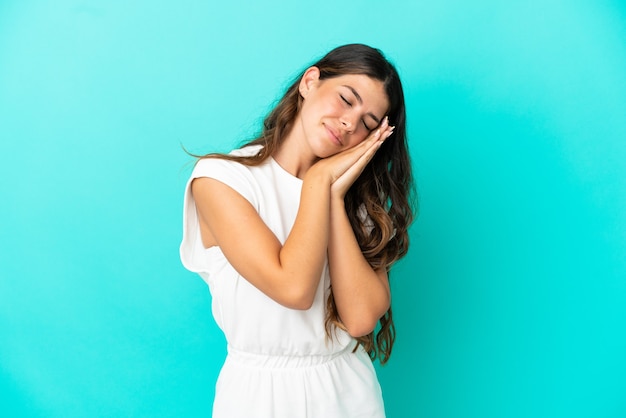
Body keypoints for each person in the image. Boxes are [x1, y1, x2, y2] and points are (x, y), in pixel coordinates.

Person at [180, 43, 415, 418]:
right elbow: (294, 287)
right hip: (258, 395)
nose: (350, 123)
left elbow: (360, 318)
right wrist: (319, 182)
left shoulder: (353, 200)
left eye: (368, 124)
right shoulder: (222, 180)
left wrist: (333, 197)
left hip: (347, 390)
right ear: (310, 82)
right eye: (346, 99)